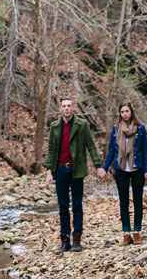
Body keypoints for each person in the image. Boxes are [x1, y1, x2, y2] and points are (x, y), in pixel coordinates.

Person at [45, 96, 106, 253]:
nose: (66, 108)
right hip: (60, 170)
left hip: (76, 169)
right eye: (64, 106)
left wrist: (98, 166)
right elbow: (51, 150)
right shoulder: (54, 126)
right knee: (63, 206)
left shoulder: (82, 124)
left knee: (77, 205)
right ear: (60, 109)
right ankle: (65, 241)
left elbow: (91, 146)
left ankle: (77, 239)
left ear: (73, 108)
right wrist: (49, 171)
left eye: (69, 106)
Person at [103, 100, 147, 245]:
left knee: (138, 200)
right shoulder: (116, 128)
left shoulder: (140, 128)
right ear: (120, 114)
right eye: (122, 112)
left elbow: (145, 151)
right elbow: (112, 150)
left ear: (131, 112)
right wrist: (105, 168)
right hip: (120, 168)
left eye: (127, 111)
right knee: (123, 201)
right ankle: (126, 233)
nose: (125, 114)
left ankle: (136, 232)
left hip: (137, 168)